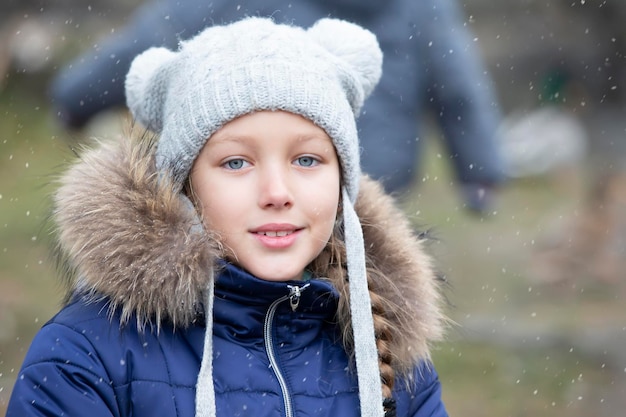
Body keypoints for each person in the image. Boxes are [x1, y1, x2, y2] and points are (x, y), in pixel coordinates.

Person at [7, 17, 448, 416]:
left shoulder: (389, 355)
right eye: (236, 163)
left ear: (341, 183)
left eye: (307, 160)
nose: (277, 193)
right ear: (184, 187)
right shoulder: (87, 354)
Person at [49, 0, 505, 214]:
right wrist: (480, 171)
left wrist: (75, 98)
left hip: (249, 174)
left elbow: (145, 43)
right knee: (354, 273)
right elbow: (458, 87)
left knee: (258, 256)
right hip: (373, 174)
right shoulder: (422, 7)